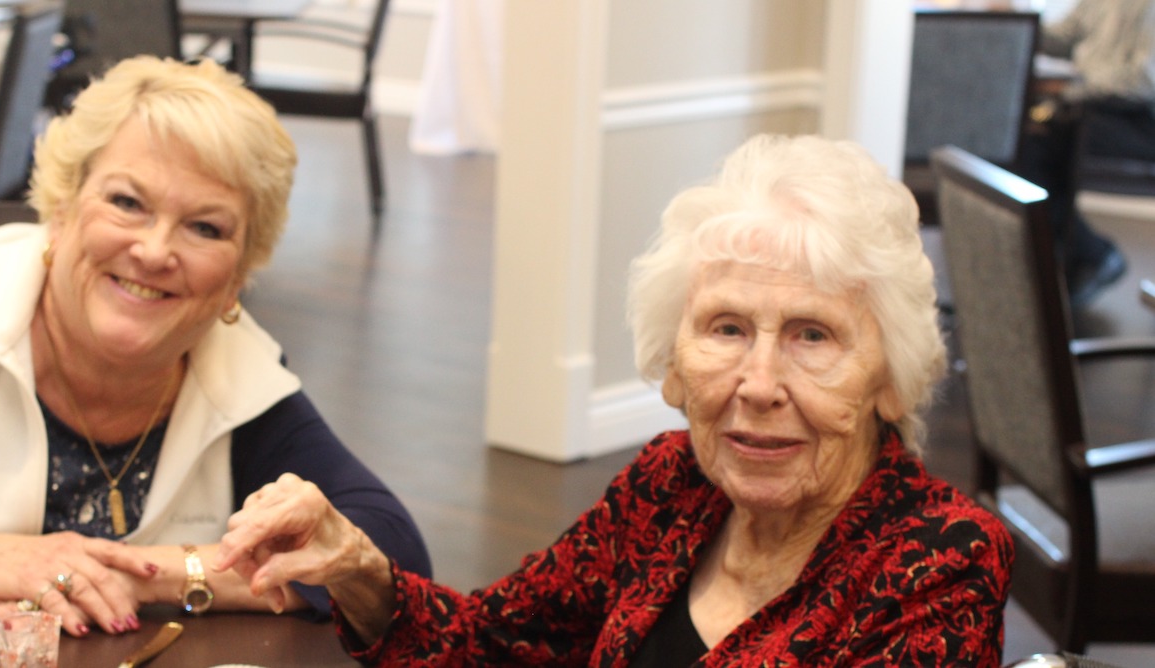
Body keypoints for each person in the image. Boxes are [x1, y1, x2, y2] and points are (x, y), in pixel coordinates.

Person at [215, 135, 1014, 666]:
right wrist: (359, 571)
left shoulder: (941, 560)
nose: (760, 384)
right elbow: (494, 645)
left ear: (889, 378)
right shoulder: (672, 486)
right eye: (727, 329)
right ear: (673, 365)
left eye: (813, 337)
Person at [0, 56, 431, 637]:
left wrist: (153, 573)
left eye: (206, 229)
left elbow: (387, 558)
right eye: (127, 202)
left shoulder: (242, 380)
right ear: (61, 207)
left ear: (238, 276)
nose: (153, 251)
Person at [1013, 0, 1154, 308]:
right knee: (1028, 142)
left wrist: (1076, 87)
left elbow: (1145, 79)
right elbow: (1061, 38)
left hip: (1137, 116)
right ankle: (1076, 257)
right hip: (1092, 107)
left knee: (1046, 140)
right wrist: (1018, 20)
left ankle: (1088, 255)